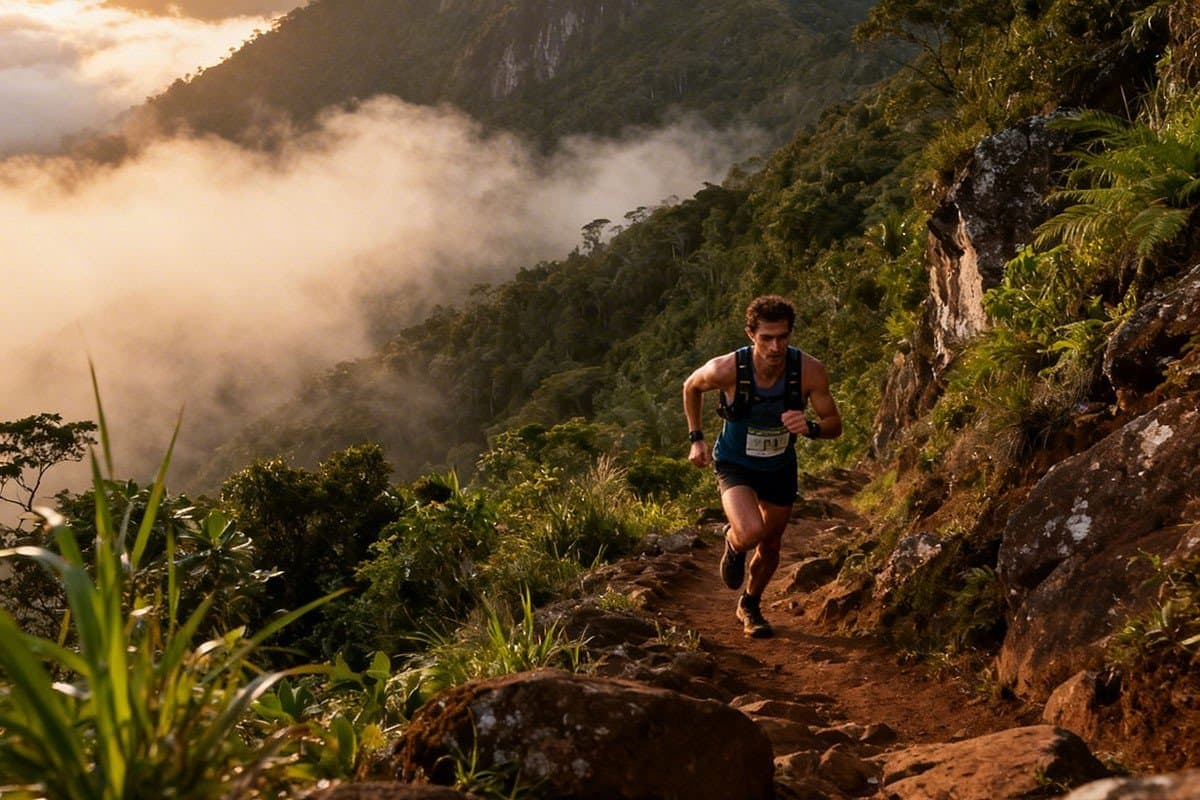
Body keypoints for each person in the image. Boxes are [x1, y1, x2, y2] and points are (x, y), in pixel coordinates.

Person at [682, 295, 842, 637]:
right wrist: (696, 439)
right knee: (751, 531)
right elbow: (690, 387)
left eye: (782, 337)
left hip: (779, 466)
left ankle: (750, 605)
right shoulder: (727, 369)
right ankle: (734, 541)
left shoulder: (809, 371)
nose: (775, 346)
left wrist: (811, 428)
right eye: (766, 338)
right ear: (751, 334)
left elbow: (834, 424)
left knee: (771, 544)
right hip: (735, 463)